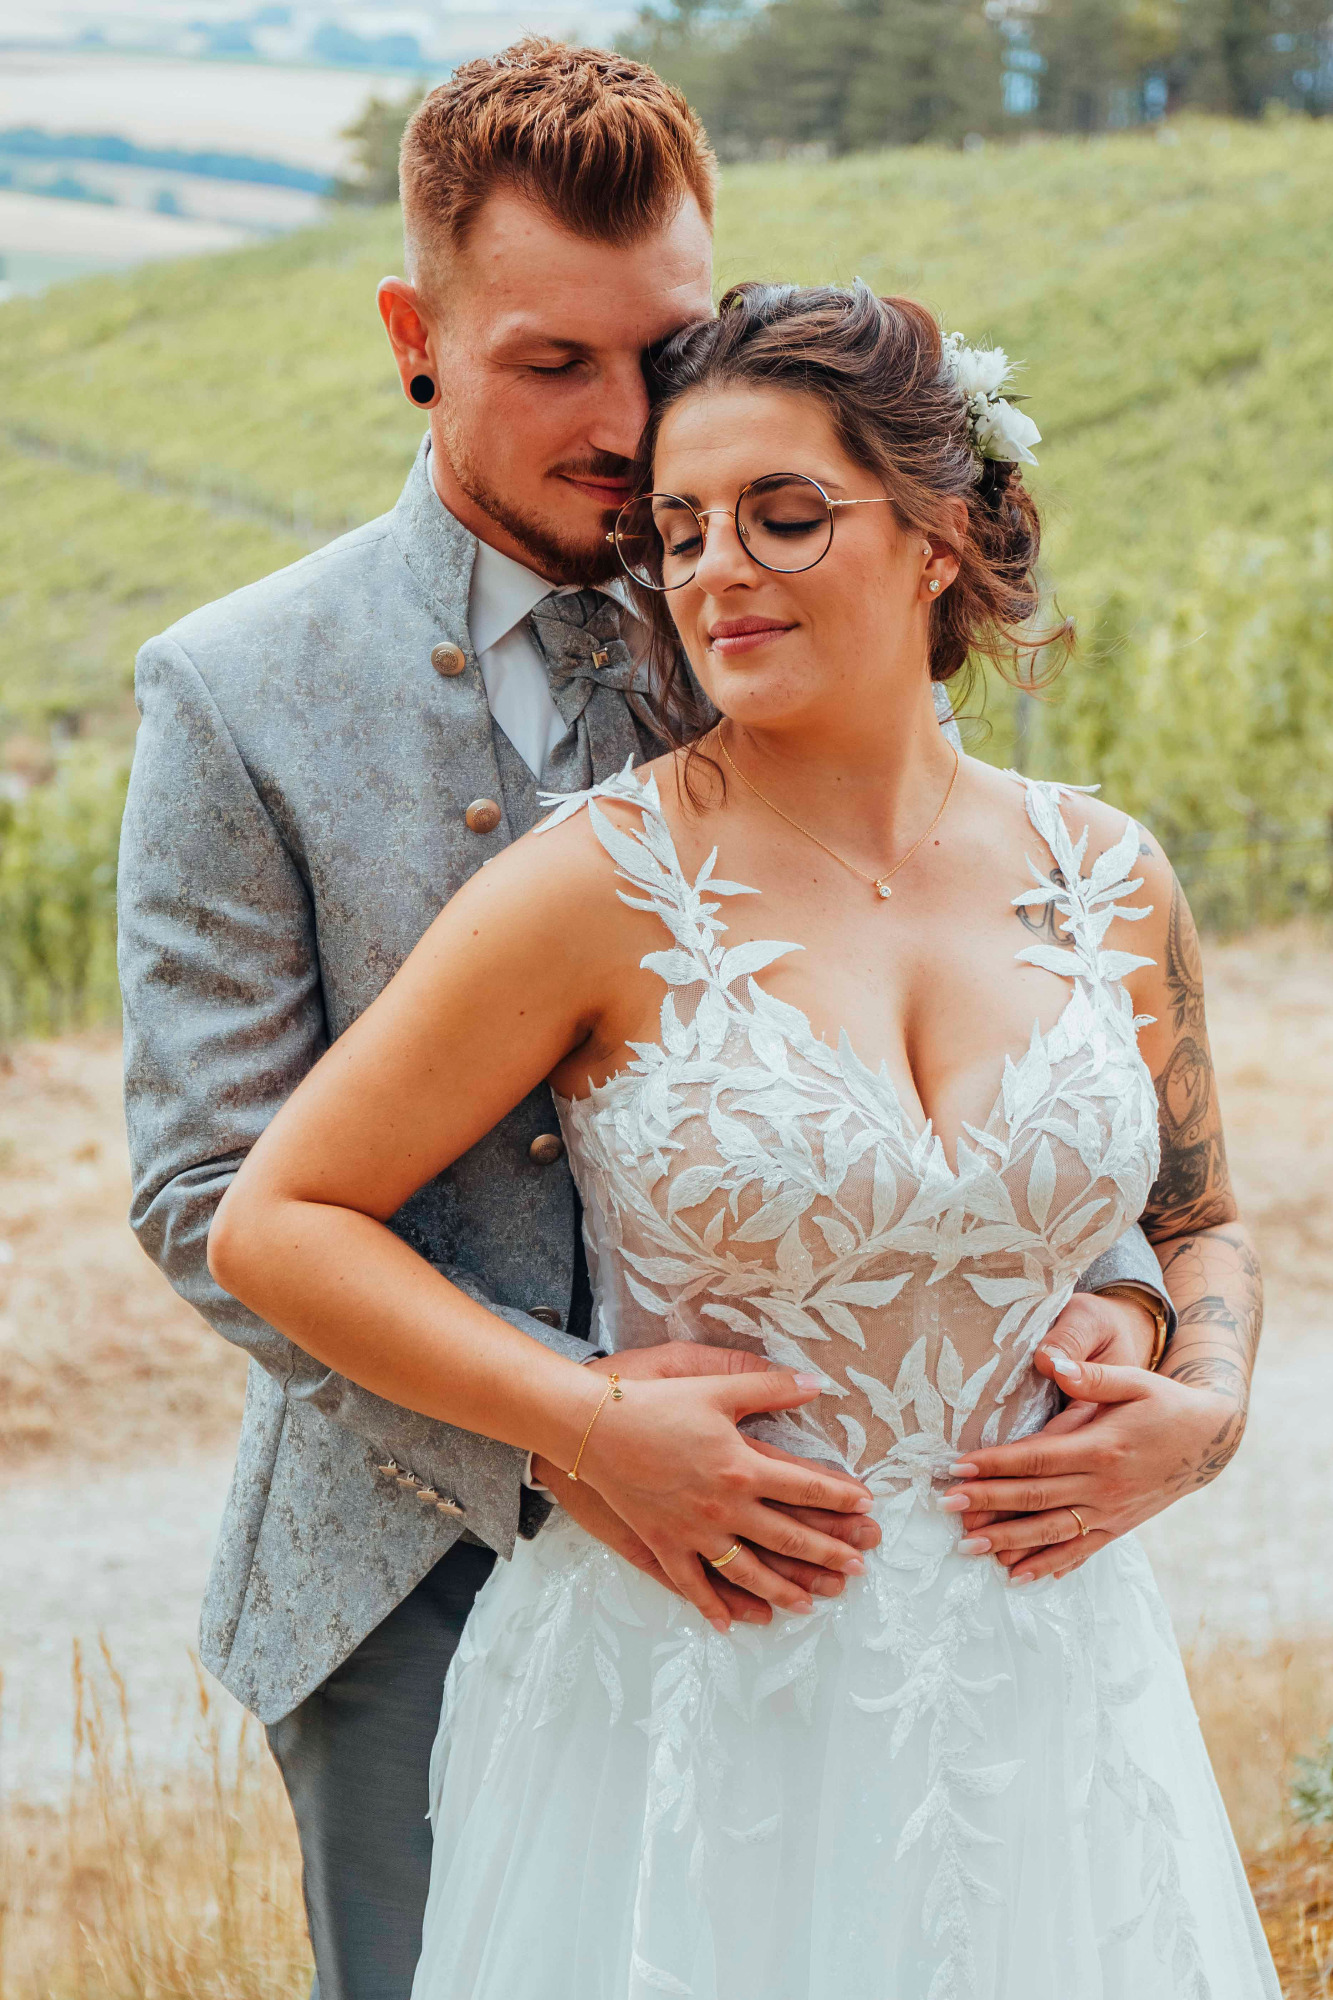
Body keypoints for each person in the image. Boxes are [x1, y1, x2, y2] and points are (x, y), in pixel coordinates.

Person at [117, 39, 1258, 1998]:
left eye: (661, 350)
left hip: (945, 1597)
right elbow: (216, 1190)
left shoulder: (797, 618)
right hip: (426, 1551)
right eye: (551, 361)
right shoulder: (243, 691)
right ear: (414, 336)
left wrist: (1159, 1345)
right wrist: (576, 1437)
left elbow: (1043, 1099)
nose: (628, 427)